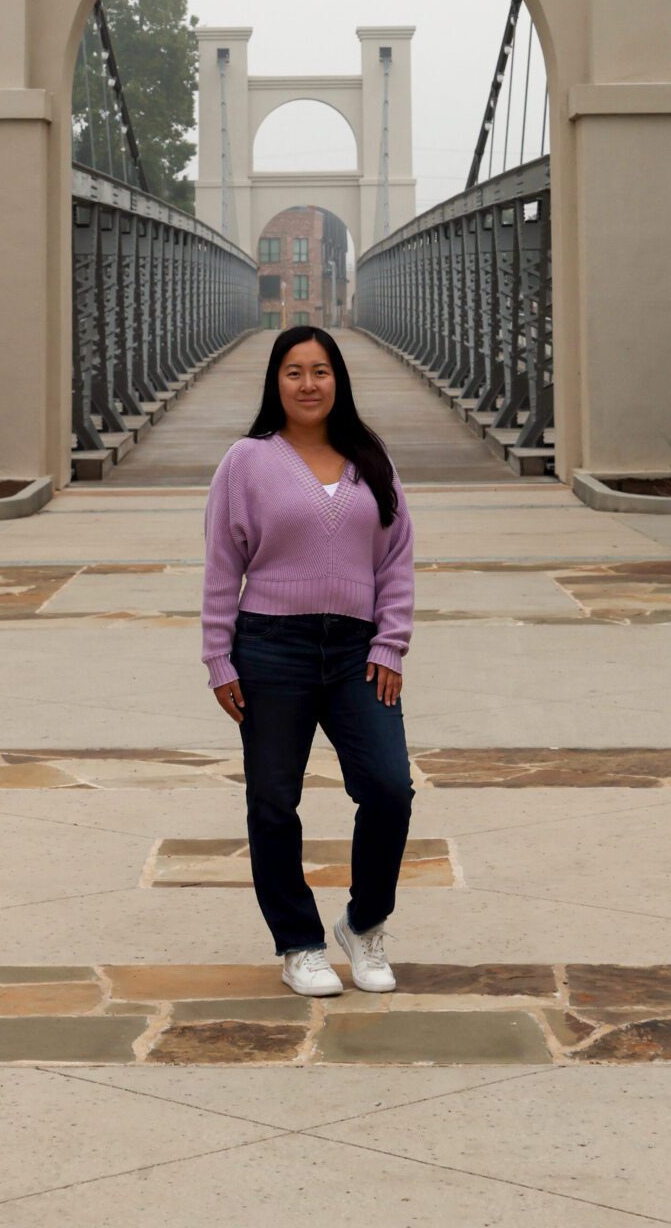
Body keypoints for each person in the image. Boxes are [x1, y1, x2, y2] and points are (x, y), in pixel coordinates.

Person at [201, 323, 416, 997]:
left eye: (320, 371)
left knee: (388, 789)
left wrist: (391, 640)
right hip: (270, 646)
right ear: (275, 382)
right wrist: (217, 657)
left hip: (358, 651)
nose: (308, 384)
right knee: (272, 801)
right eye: (293, 372)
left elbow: (398, 556)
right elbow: (220, 564)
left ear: (338, 380)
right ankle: (299, 944)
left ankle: (365, 922)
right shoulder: (246, 460)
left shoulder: (370, 456)